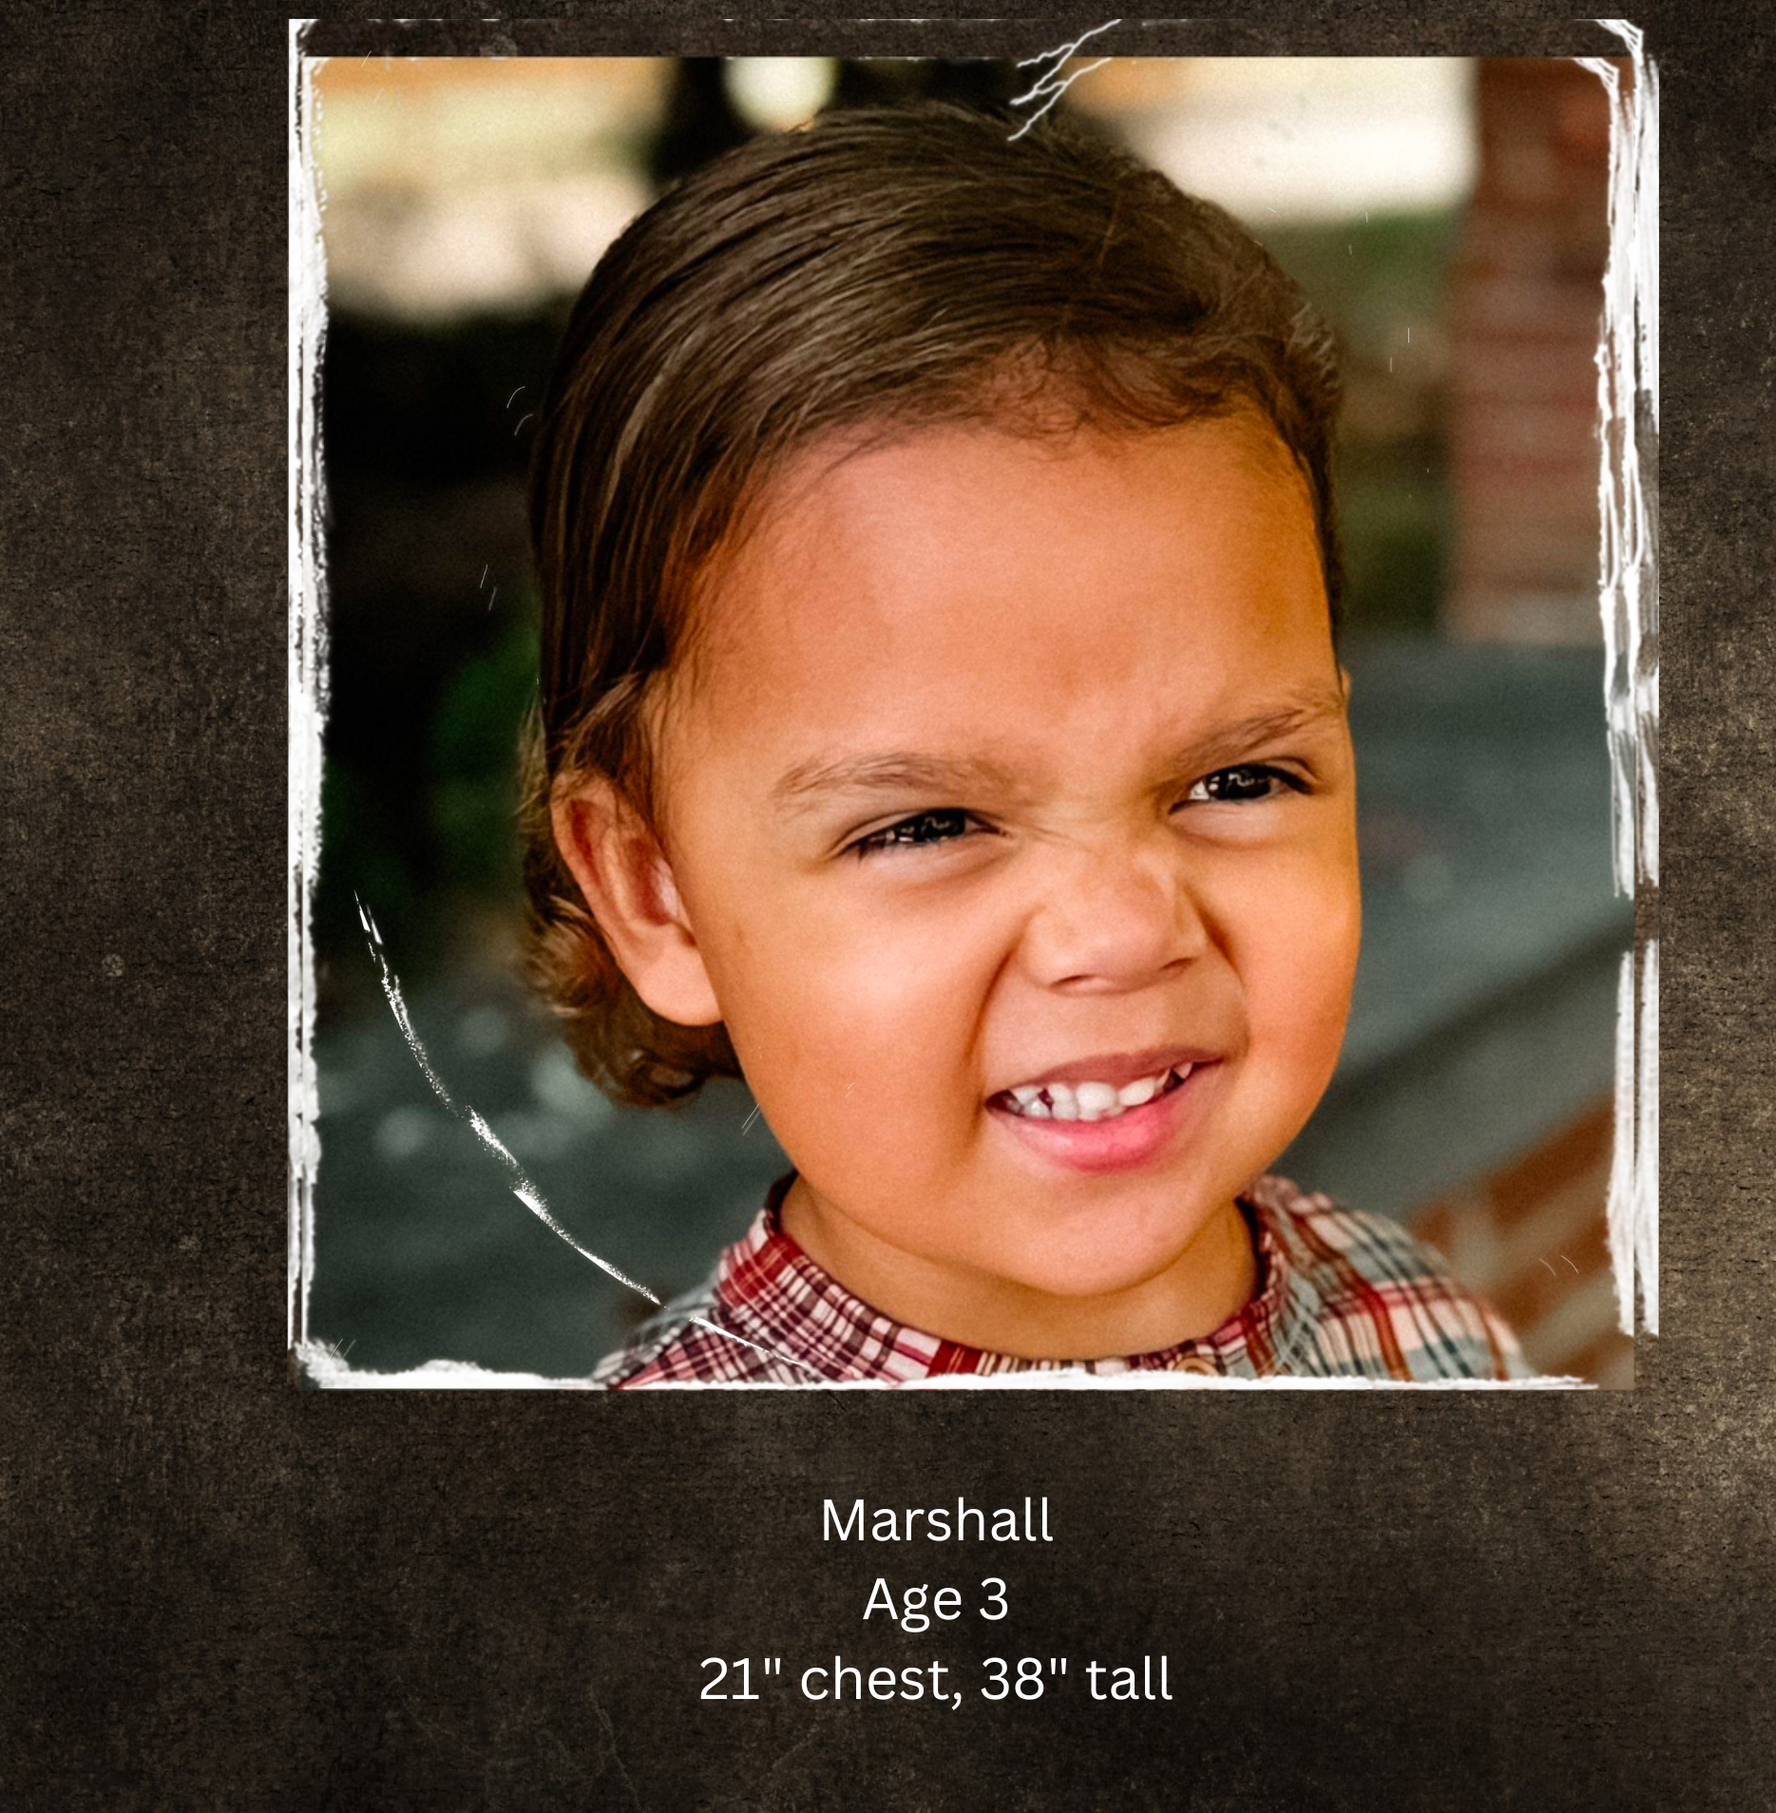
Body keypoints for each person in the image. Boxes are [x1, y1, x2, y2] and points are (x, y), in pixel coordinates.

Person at [522, 103, 1528, 1384]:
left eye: (1235, 778)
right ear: (653, 889)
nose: (1119, 933)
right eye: (926, 823)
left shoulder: (1427, 1332)